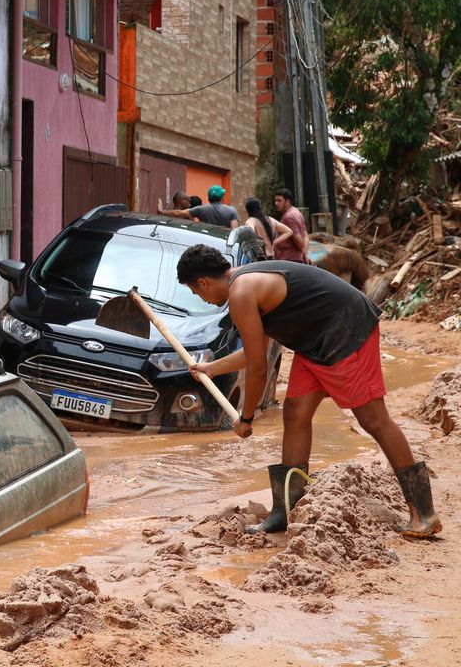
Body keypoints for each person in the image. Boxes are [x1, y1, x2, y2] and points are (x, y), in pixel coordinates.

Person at [175, 244, 441, 538]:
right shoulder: (245, 284)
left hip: (345, 331)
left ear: (203, 282)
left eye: (196, 293)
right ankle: (284, 512)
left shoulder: (241, 292)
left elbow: (259, 367)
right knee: (295, 413)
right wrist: (211, 369)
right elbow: (255, 353)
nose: (202, 298)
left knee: (373, 420)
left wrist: (246, 417)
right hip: (314, 342)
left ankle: (424, 513)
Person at [160, 185, 239, 228]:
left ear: (209, 198)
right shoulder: (232, 211)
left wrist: (162, 211)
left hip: (206, 242)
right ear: (222, 198)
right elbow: (234, 232)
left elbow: (178, 212)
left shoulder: (201, 209)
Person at [272, 188, 308, 263]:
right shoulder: (297, 212)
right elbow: (305, 235)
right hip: (294, 259)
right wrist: (305, 255)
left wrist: (304, 257)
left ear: (287, 201)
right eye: (275, 201)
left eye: (279, 201)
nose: (276, 203)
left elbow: (299, 242)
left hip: (288, 260)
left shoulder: (288, 217)